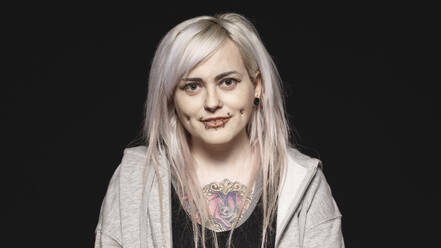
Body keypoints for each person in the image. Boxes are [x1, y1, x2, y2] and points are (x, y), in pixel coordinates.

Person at [94, 13, 344, 248]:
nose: (212, 102)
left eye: (228, 82)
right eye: (192, 86)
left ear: (257, 86)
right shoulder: (135, 177)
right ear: (172, 98)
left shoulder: (304, 182)